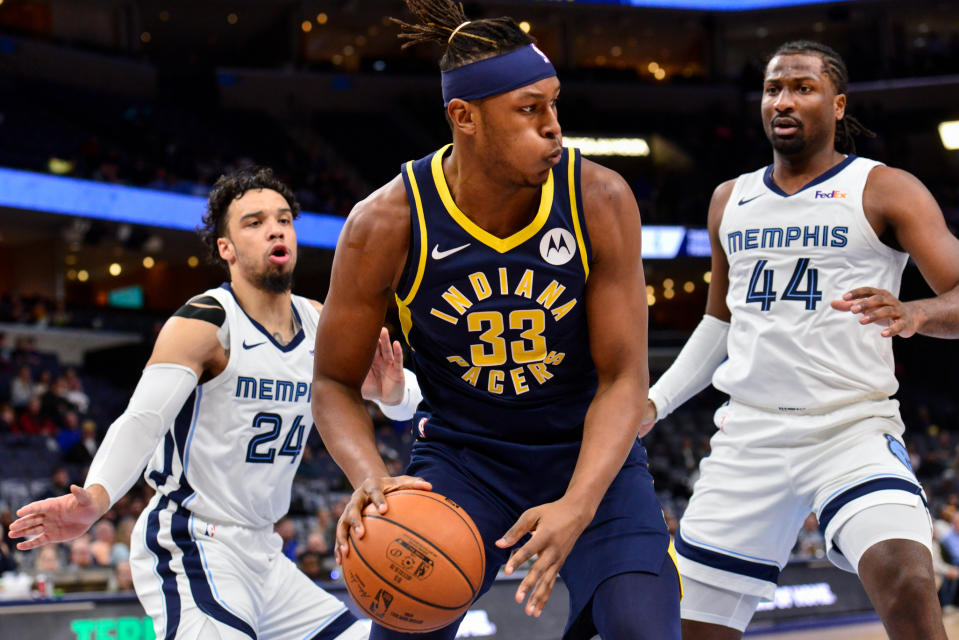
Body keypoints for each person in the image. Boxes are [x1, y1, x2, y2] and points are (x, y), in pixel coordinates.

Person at [310, 3, 679, 639]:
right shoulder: (385, 222)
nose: (554, 128)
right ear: (465, 117)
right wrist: (371, 478)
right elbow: (333, 383)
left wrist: (578, 504)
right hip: (464, 459)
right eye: (530, 110)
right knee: (404, 625)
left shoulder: (599, 198)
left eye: (555, 105)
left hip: (587, 454)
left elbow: (625, 379)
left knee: (643, 629)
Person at [10, 166, 424, 640]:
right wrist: (98, 497)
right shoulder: (206, 320)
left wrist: (392, 394)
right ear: (225, 248)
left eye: (284, 219)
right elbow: (143, 419)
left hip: (266, 553)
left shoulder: (321, 323)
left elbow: (399, 397)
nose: (275, 228)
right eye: (254, 222)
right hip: (193, 541)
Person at [642, 40, 959, 639]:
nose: (783, 101)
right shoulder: (729, 199)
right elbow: (720, 327)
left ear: (837, 105)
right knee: (691, 630)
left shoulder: (886, 188)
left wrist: (915, 313)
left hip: (849, 428)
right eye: (772, 89)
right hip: (750, 436)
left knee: (909, 579)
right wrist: (655, 402)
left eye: (802, 88)